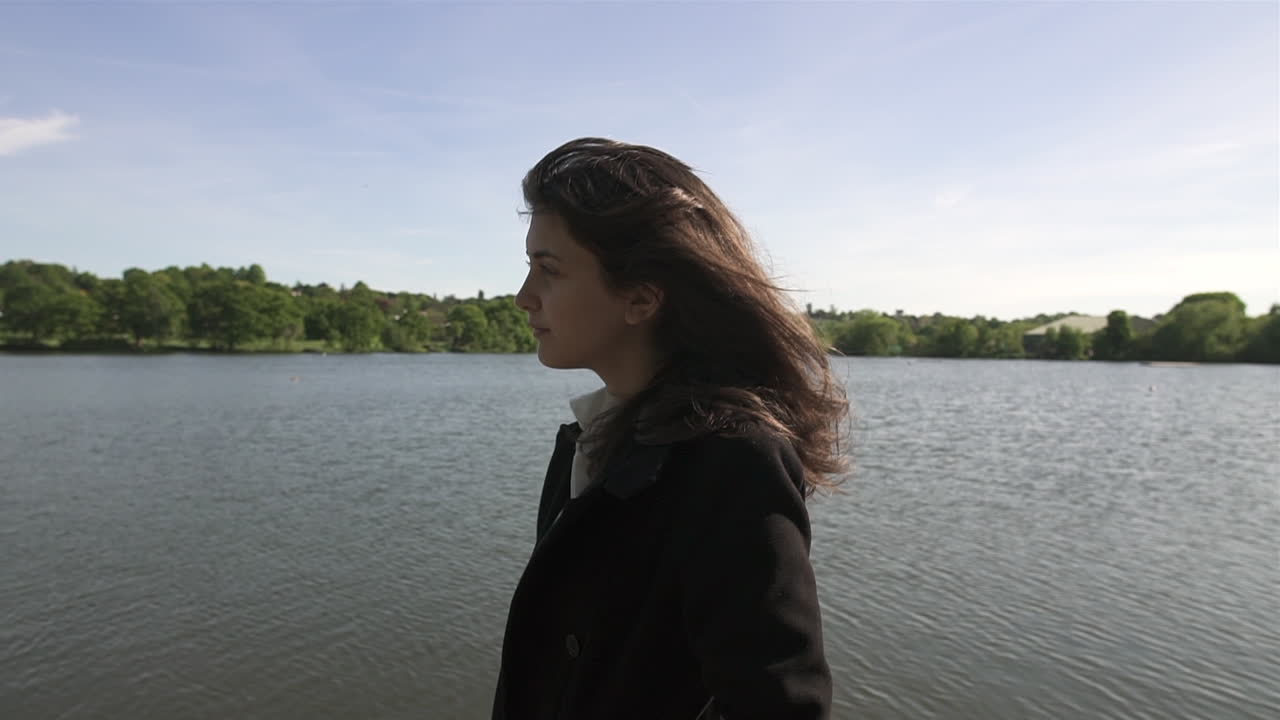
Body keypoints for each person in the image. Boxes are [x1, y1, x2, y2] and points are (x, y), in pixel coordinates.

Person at [492, 137, 848, 720]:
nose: (522, 297)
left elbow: (779, 706)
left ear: (641, 297)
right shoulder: (592, 439)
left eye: (548, 270)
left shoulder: (733, 458)